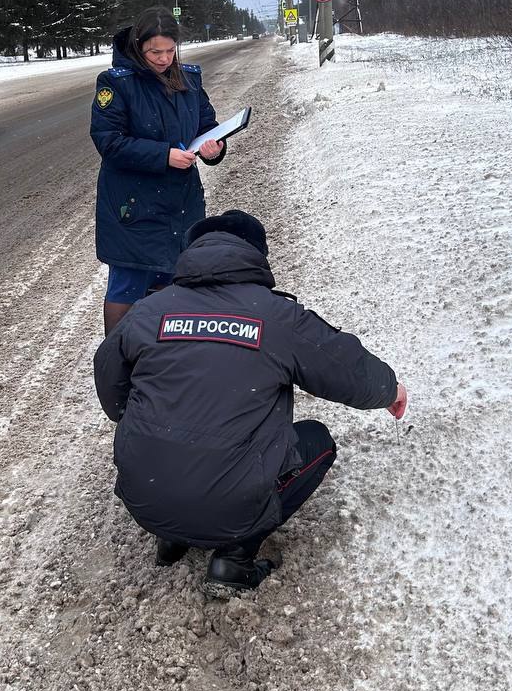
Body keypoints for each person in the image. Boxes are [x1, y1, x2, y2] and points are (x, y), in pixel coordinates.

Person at [93, 209, 407, 595]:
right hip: (230, 507)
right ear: (257, 254)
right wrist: (390, 389)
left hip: (144, 499)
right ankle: (234, 559)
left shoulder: (148, 311)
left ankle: (171, 535)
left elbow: (112, 395)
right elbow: (346, 368)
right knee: (317, 441)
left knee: (170, 444)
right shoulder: (275, 316)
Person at [90, 9, 226, 335]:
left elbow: (207, 126)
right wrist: (163, 156)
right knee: (128, 285)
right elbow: (108, 142)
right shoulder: (115, 84)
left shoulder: (189, 79)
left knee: (173, 281)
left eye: (170, 50)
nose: (164, 59)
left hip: (181, 202)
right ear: (139, 47)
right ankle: (118, 365)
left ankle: (161, 360)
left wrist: (214, 147)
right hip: (133, 205)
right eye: (155, 52)